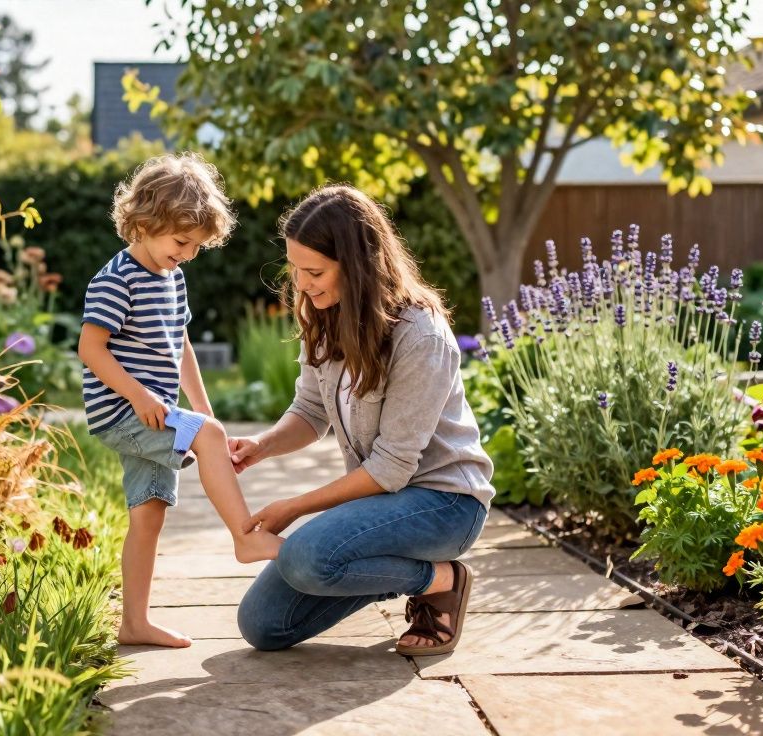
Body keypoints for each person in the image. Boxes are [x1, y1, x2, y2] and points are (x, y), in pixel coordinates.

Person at [229, 184, 495, 655]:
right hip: (386, 502)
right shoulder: (325, 316)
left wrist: (294, 507)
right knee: (263, 625)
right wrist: (263, 445)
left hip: (446, 503)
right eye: (295, 268)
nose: (302, 283)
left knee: (307, 557)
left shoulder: (421, 338)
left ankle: (441, 579)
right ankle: (397, 569)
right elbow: (311, 411)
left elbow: (392, 468)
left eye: (314, 271)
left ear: (357, 265)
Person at [78, 152, 284, 649]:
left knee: (149, 513)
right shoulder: (116, 279)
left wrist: (204, 411)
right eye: (181, 241)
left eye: (196, 245)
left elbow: (180, 343)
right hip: (123, 412)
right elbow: (90, 348)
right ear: (144, 223)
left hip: (151, 409)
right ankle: (244, 535)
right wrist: (142, 395)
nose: (189, 253)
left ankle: (134, 623)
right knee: (205, 441)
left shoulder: (172, 277)